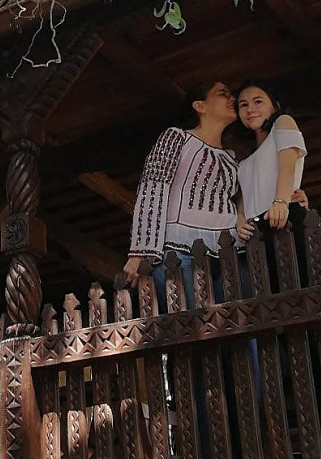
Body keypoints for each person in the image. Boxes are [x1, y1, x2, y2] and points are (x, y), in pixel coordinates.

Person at [123, 81, 241, 301]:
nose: (232, 98)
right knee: (190, 318)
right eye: (222, 93)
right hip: (179, 250)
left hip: (229, 250)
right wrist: (140, 251)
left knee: (241, 319)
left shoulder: (232, 158)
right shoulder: (177, 137)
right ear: (200, 106)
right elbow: (152, 188)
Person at [235, 79, 307, 236]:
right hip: (254, 230)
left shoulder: (283, 122)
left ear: (275, 106)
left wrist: (281, 202)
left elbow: (287, 167)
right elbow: (246, 191)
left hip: (281, 216)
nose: (250, 109)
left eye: (258, 101)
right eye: (243, 105)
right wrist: (240, 217)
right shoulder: (247, 155)